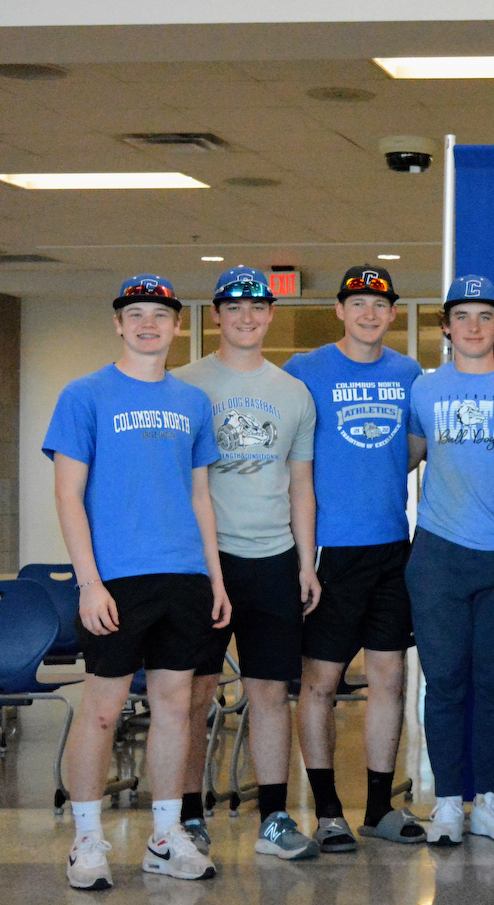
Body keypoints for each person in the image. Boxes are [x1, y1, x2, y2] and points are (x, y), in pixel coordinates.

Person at [46, 275, 228, 889]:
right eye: (136, 314)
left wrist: (215, 578)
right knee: (102, 712)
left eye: (160, 314)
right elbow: (68, 495)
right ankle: (87, 841)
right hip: (117, 580)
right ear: (118, 324)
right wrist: (88, 583)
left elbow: (200, 496)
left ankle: (165, 836)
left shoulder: (193, 402)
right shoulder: (84, 395)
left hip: (185, 576)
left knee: (175, 709)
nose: (148, 324)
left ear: (177, 325)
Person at [173, 266, 320, 861]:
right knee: (193, 694)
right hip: (201, 564)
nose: (246, 317)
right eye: (234, 307)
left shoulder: (293, 392)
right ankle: (186, 816)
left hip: (273, 560)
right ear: (216, 315)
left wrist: (306, 563)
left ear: (270, 315)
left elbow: (301, 484)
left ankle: (274, 819)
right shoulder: (184, 386)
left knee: (269, 693)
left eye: (257, 307)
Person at [284, 265, 427, 851]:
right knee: (320, 681)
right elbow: (290, 458)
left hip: (392, 546)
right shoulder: (305, 370)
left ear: (392, 313)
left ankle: (377, 809)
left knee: (389, 679)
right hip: (329, 551)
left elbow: (413, 448)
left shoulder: (407, 372)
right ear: (339, 310)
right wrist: (302, 557)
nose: (370, 313)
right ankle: (327, 812)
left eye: (380, 304)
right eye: (358, 303)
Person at [406, 276, 494, 847]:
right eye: (462, 316)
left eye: (485, 316)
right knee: (444, 682)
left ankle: (486, 798)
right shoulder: (424, 389)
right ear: (446, 326)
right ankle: (446, 802)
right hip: (438, 552)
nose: (474, 326)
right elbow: (407, 457)